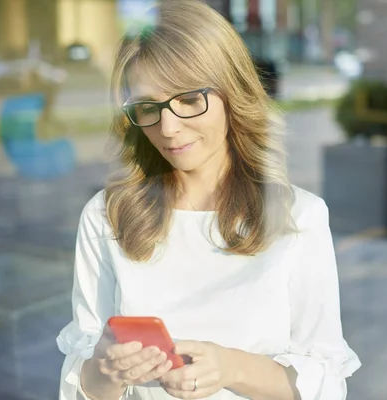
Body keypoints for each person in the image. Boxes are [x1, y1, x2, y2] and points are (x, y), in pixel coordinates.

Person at [56, 1, 360, 399]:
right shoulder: (106, 215)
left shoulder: (297, 217)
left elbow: (325, 384)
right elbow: (85, 383)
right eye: (148, 107)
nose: (168, 128)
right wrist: (108, 372)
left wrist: (231, 368)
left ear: (232, 92)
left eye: (187, 100)